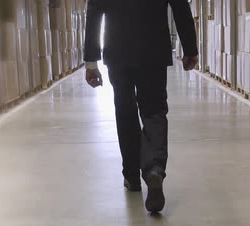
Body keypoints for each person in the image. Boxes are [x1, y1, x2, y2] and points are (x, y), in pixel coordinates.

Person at [83, 0, 198, 213]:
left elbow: (95, 9)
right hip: (154, 48)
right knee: (154, 110)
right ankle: (154, 168)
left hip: (117, 50)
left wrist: (91, 61)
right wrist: (190, 47)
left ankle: (132, 175)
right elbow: (180, 5)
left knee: (125, 111)